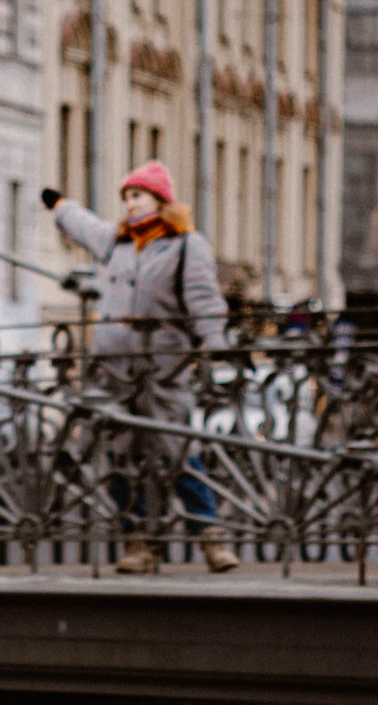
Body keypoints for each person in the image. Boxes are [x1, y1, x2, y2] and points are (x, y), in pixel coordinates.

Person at [42, 163, 240, 574]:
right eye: (127, 197)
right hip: (115, 369)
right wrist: (60, 206)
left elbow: (204, 299)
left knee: (178, 449)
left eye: (138, 195)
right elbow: (84, 225)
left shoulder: (186, 244)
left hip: (163, 367)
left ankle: (211, 538)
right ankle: (138, 543)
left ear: (160, 200)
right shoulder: (118, 242)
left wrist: (218, 344)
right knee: (120, 455)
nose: (130, 204)